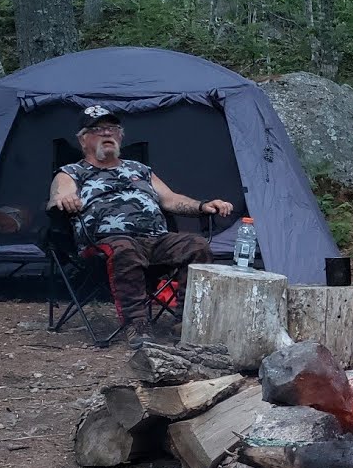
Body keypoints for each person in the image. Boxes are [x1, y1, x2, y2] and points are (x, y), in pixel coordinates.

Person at [47, 105, 234, 348]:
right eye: (97, 129)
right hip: (104, 244)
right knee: (125, 248)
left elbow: (170, 198)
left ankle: (188, 322)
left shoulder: (140, 170)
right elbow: (57, 197)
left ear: (121, 135)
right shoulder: (72, 172)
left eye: (112, 128)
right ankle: (137, 324)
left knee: (196, 245)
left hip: (155, 240)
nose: (107, 134)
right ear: (83, 140)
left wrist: (203, 205)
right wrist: (64, 200)